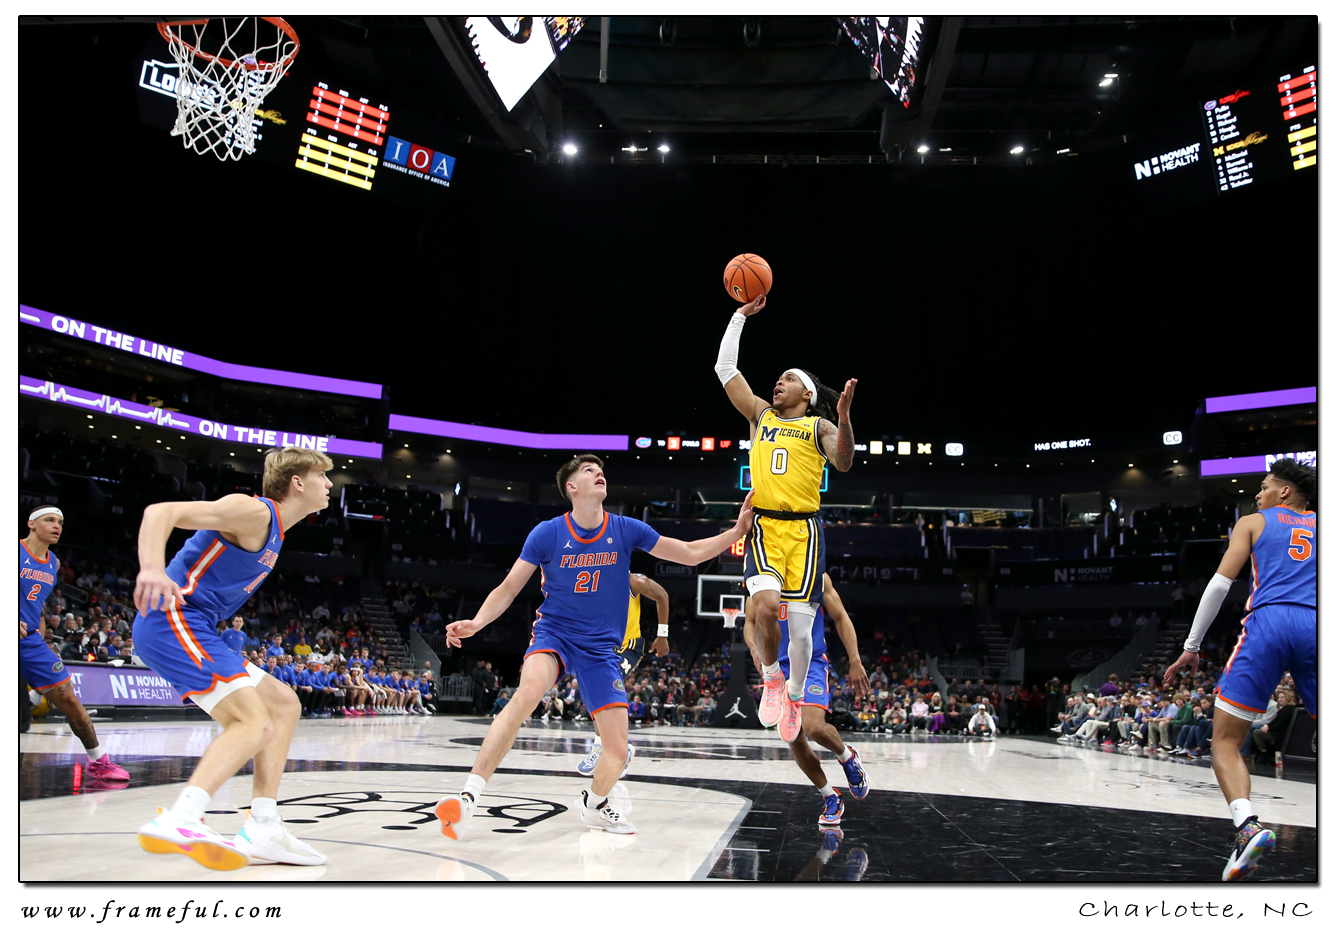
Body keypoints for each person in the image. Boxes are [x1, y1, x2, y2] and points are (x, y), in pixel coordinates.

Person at [435, 453, 754, 839]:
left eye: (600, 470)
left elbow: (687, 553)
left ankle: (595, 804)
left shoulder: (625, 529)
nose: (599, 473)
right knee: (527, 694)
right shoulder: (547, 533)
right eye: (588, 470)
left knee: (617, 752)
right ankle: (468, 798)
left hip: (602, 649)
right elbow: (508, 588)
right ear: (571, 487)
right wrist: (477, 622)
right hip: (556, 635)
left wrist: (736, 532)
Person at [130, 446, 332, 869]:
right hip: (172, 617)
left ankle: (263, 825)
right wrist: (151, 568)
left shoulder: (276, 531)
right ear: (298, 482)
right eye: (322, 476)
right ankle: (183, 817)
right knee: (252, 723)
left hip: (198, 625)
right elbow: (159, 512)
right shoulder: (254, 512)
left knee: (283, 704)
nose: (330, 484)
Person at [715, 292, 858, 744]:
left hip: (804, 533)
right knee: (765, 607)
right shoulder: (761, 416)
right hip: (765, 527)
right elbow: (725, 370)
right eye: (778, 378)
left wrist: (844, 418)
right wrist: (738, 317)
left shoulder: (818, 426)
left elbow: (843, 462)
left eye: (788, 379)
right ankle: (773, 679)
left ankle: (794, 694)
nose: (778, 382)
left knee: (801, 633)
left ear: (807, 394)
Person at [1163, 459, 1316, 881]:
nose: (1258, 494)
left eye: (1264, 487)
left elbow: (1219, 585)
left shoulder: (1252, 522)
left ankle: (1247, 828)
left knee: (1225, 742)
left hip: (1269, 623)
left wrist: (1191, 646)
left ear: (1284, 491)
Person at [742, 573, 870, 827]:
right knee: (793, 738)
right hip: (779, 667)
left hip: (811, 662)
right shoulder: (763, 576)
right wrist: (755, 649)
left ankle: (847, 756)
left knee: (814, 726)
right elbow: (749, 622)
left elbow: (841, 616)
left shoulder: (816, 576)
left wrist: (855, 660)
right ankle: (830, 796)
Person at [19, 506, 129, 780]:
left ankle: (98, 761)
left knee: (69, 699)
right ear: (31, 524)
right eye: (49, 520)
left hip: (29, 642)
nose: (56, 526)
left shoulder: (53, 564)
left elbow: (38, 605)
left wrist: (41, 637)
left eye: (60, 522)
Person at [577, 572, 671, 778]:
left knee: (605, 686)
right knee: (594, 693)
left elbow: (662, 595)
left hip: (627, 647)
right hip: (601, 647)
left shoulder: (633, 581)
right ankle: (608, 747)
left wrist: (662, 634)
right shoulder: (590, 582)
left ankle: (608, 748)